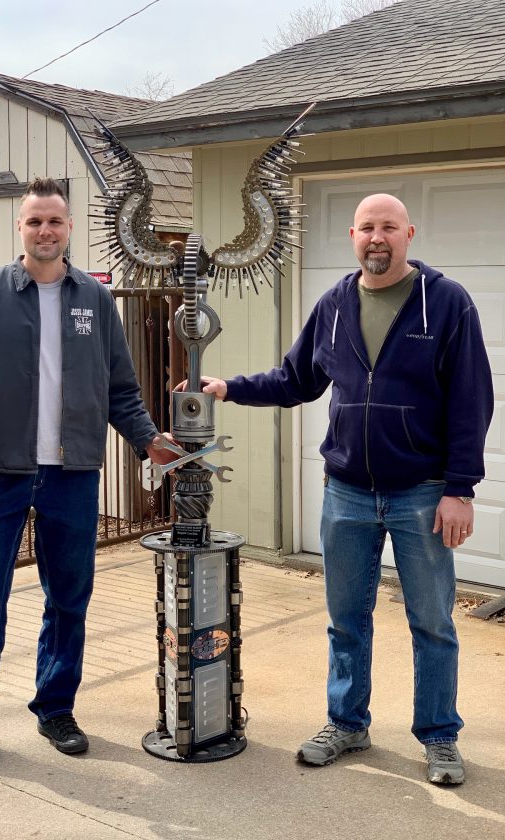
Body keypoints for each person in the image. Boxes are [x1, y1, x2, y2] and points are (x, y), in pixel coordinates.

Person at [191, 193, 493, 785]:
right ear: (352, 236)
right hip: (347, 491)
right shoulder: (333, 305)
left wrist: (461, 488)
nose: (376, 238)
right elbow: (296, 378)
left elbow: (471, 400)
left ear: (409, 233)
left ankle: (439, 736)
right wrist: (229, 387)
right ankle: (347, 723)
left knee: (432, 621)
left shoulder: (447, 303)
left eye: (388, 228)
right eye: (366, 228)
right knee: (345, 619)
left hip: (423, 492)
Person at [0, 177, 176, 772]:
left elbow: (120, 386)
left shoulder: (93, 297)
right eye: (35, 221)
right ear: (21, 227)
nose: (46, 231)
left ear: (69, 230)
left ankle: (56, 707)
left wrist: (148, 440)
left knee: (68, 599)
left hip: (71, 474)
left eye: (56, 222)